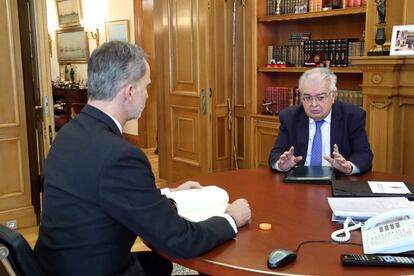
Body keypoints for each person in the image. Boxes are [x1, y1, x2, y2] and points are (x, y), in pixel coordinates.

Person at [34, 41, 251, 276]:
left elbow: (102, 191)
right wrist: (230, 219)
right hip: (96, 268)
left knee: (158, 263)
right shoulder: (120, 156)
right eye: (146, 86)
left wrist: (167, 195)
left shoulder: (69, 133)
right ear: (129, 92)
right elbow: (179, 240)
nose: (148, 94)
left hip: (57, 264)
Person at [268, 67, 373, 175]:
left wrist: (349, 166)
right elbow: (276, 153)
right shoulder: (289, 117)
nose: (314, 104)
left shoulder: (352, 116)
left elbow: (364, 155)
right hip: (300, 182)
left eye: (321, 97)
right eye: (308, 98)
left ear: (333, 95)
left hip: (338, 181)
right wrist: (281, 165)